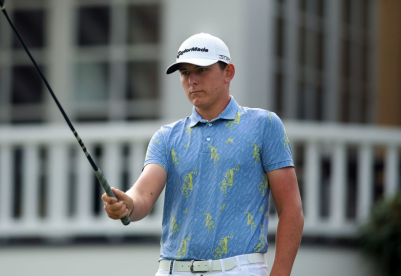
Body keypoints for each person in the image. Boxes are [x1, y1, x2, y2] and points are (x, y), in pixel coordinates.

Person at [102, 33, 304, 276]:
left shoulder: (264, 125)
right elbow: (144, 194)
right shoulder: (167, 137)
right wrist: (127, 205)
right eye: (185, 73)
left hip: (239, 269)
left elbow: (291, 209)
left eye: (201, 70)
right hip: (173, 270)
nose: (192, 80)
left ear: (228, 72)